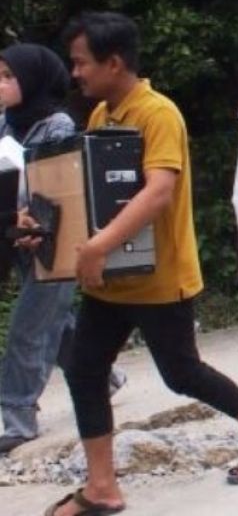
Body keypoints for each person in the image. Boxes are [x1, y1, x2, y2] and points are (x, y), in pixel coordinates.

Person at [42, 13, 238, 516]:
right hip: (111, 279)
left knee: (180, 372)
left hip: (159, 276)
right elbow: (90, 194)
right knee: (85, 372)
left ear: (114, 62)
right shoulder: (102, 116)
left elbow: (159, 191)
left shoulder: (158, 112)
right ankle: (102, 488)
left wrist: (98, 245)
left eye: (82, 63)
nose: (76, 73)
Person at [0, 44, 125, 456]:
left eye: (7, 76)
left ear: (32, 79)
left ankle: (18, 418)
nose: (0, 85)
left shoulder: (57, 127)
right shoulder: (5, 125)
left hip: (55, 241)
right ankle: (102, 376)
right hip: (18, 239)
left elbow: (65, 187)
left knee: (29, 328)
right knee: (58, 321)